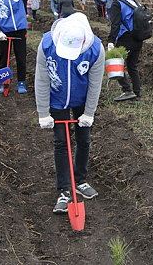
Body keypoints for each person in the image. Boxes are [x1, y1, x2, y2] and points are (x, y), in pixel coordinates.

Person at [34, 12, 105, 213]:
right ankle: (65, 189)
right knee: (61, 142)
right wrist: (43, 113)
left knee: (84, 139)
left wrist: (89, 113)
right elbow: (41, 79)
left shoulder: (95, 48)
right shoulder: (47, 44)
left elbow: (95, 84)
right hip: (57, 98)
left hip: (82, 99)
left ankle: (80, 180)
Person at [107, 0, 145, 101]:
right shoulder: (133, 0)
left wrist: (111, 40)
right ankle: (137, 93)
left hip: (126, 38)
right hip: (138, 38)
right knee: (132, 66)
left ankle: (127, 90)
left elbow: (115, 23)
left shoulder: (117, 3)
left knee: (115, 64)